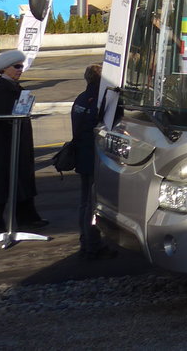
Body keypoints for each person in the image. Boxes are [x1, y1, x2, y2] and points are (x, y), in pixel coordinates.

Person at [0, 49, 47, 234]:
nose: (20, 69)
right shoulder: (2, 89)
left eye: (21, 66)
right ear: (5, 69)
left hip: (17, 143)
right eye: (16, 66)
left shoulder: (14, 87)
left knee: (21, 180)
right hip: (5, 145)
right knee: (2, 183)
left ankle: (27, 218)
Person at [71, 63, 115, 259]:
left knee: (83, 202)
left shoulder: (80, 98)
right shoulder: (100, 101)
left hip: (81, 154)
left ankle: (85, 240)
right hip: (93, 156)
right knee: (92, 202)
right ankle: (93, 244)